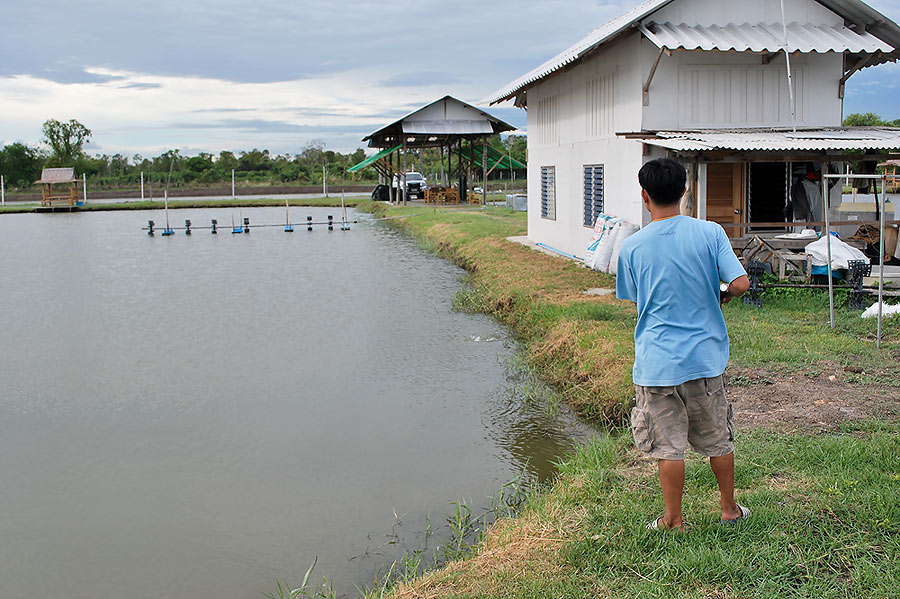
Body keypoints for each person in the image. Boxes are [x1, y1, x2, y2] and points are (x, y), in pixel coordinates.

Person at [615, 158, 751, 532]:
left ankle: (673, 520)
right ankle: (728, 510)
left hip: (657, 363)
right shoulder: (710, 233)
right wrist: (720, 293)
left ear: (644, 196)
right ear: (685, 191)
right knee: (717, 439)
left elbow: (636, 299)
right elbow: (740, 284)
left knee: (667, 445)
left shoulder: (632, 246)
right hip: (705, 360)